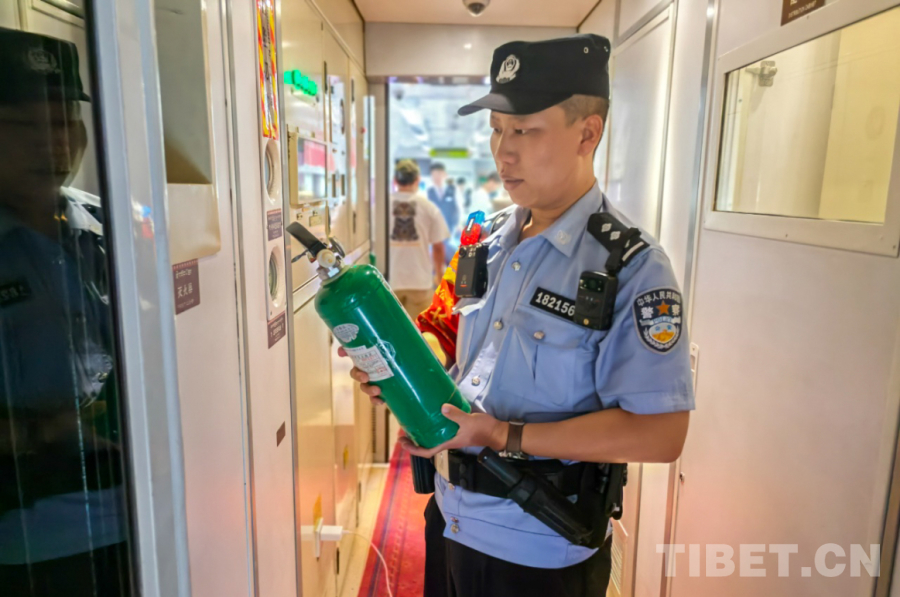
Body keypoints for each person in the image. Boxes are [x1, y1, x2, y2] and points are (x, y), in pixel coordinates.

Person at [347, 34, 694, 597]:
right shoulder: (482, 242)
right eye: (497, 129)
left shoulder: (630, 267)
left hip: (539, 547)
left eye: (525, 130)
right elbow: (443, 335)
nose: (502, 152)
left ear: (587, 134)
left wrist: (500, 434)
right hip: (449, 518)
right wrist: (401, 370)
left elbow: (661, 435)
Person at [0, 27, 129, 595]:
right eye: (23, 125)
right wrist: (42, 431)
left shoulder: (111, 227)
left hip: (140, 516)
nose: (52, 143)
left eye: (63, 121)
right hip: (35, 547)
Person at [389, 159, 451, 318]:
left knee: (390, 328)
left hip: (388, 281)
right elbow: (438, 247)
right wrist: (439, 275)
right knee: (418, 330)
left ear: (395, 180)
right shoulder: (429, 208)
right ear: (417, 180)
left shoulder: (380, 207)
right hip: (419, 282)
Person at [427, 162, 460, 264]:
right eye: (434, 175)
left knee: (454, 260)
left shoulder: (453, 190)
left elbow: (459, 209)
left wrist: (457, 225)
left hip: (450, 232)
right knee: (434, 260)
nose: (437, 177)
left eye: (439, 174)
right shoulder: (428, 192)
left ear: (444, 174)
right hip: (434, 234)